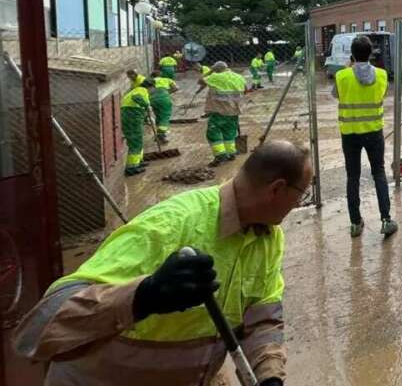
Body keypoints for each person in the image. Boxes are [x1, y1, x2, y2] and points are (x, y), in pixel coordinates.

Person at [14, 140, 309, 386]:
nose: (299, 204)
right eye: (301, 195)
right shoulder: (168, 226)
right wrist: (144, 296)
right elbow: (37, 331)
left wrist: (269, 375)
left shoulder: (267, 237)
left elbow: (263, 318)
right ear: (276, 190)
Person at [334, 36, 397, 237]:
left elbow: (336, 95)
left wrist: (348, 68)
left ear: (352, 54)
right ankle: (386, 220)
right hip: (373, 131)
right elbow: (382, 94)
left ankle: (355, 223)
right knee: (378, 173)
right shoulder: (381, 75)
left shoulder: (342, 76)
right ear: (371, 54)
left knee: (352, 177)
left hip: (350, 134)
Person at [199, 61, 246, 165]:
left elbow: (200, 81)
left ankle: (220, 156)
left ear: (216, 70)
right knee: (229, 133)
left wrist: (210, 71)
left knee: (213, 133)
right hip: (234, 111)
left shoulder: (216, 77)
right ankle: (231, 153)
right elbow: (245, 90)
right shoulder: (239, 77)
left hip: (219, 111)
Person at [121, 78, 155, 176]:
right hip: (132, 118)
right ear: (150, 87)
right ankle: (132, 167)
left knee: (138, 140)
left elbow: (139, 108)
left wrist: (147, 119)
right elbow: (137, 98)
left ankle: (138, 162)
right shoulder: (141, 91)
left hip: (134, 117)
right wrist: (147, 106)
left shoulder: (136, 90)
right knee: (135, 141)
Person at [149, 70, 179, 143]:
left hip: (152, 99)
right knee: (165, 116)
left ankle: (158, 133)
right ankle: (161, 134)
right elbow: (176, 88)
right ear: (160, 75)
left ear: (152, 76)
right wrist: (167, 93)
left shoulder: (149, 81)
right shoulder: (166, 80)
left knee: (158, 116)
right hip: (164, 98)